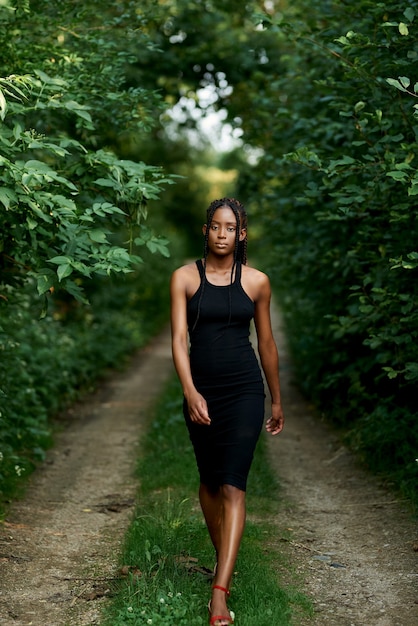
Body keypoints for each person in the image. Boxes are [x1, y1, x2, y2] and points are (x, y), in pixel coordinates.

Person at [170, 197, 284, 626]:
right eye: (216, 227)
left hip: (244, 391)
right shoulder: (184, 278)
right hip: (202, 391)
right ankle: (225, 562)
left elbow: (267, 344)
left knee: (234, 485)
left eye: (230, 228)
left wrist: (276, 399)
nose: (222, 235)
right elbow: (180, 340)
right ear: (206, 231)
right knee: (210, 483)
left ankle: (220, 593)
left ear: (242, 234)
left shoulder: (256, 282)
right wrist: (190, 390)